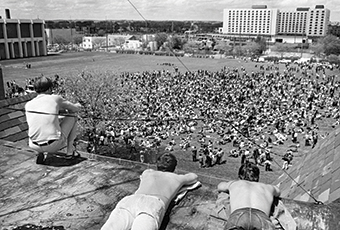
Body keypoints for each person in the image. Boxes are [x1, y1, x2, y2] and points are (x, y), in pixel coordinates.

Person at [101, 153, 199, 230]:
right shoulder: (177, 178)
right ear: (174, 167)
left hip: (131, 200)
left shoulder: (147, 172)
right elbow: (194, 177)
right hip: (153, 204)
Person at [25, 76, 82, 163]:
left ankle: (40, 151)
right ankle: (70, 151)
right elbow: (75, 109)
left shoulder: (28, 104)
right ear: (49, 89)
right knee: (73, 116)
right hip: (52, 145)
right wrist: (79, 105)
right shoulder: (55, 98)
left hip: (33, 144)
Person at [217, 162, 281, 230]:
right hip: (261, 217)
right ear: (258, 177)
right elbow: (278, 192)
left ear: (239, 176)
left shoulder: (235, 184)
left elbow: (220, 186)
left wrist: (230, 185)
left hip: (239, 216)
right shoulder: (267, 187)